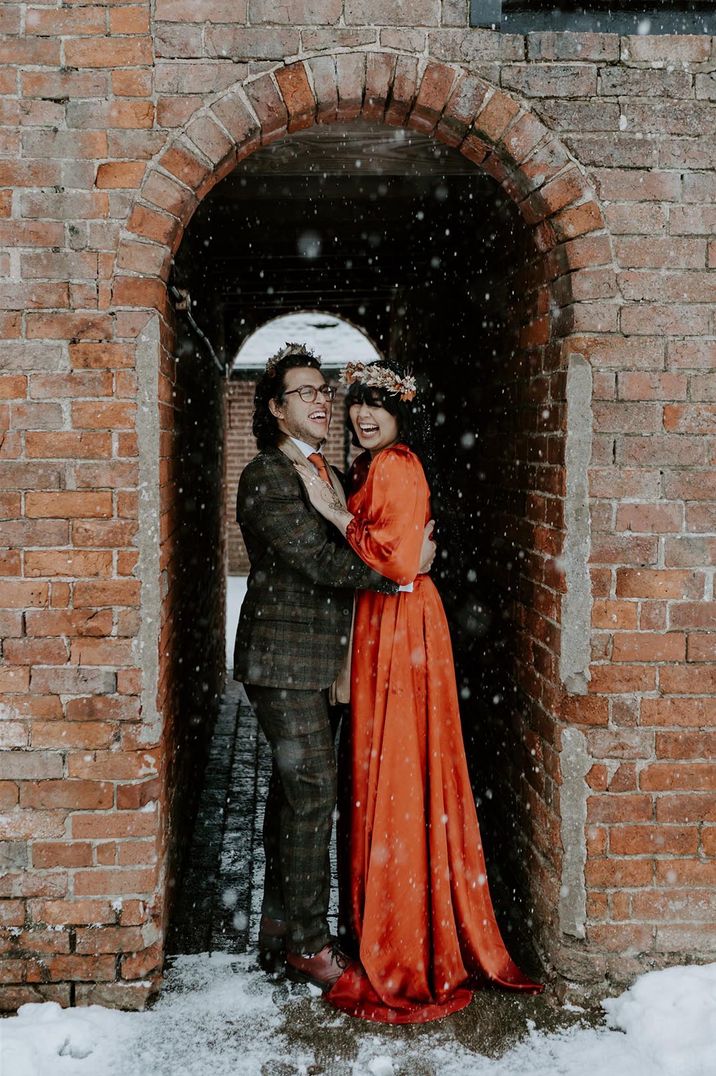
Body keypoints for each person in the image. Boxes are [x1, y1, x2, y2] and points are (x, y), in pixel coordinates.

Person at [297, 358, 543, 1023]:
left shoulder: (395, 465)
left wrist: (330, 513)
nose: (362, 414)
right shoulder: (376, 467)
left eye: (378, 403)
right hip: (393, 620)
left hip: (401, 625)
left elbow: (400, 563)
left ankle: (404, 939)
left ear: (403, 414)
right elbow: (397, 557)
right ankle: (398, 922)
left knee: (398, 771)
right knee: (391, 768)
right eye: (357, 403)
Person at [233, 344, 436, 992]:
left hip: (321, 664)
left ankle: (277, 923)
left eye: (325, 390)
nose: (322, 401)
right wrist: (399, 570)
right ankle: (310, 946)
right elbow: (319, 563)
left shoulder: (328, 468)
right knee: (314, 791)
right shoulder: (268, 474)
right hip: (284, 663)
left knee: (293, 795)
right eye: (304, 392)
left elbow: (354, 532)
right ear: (274, 408)